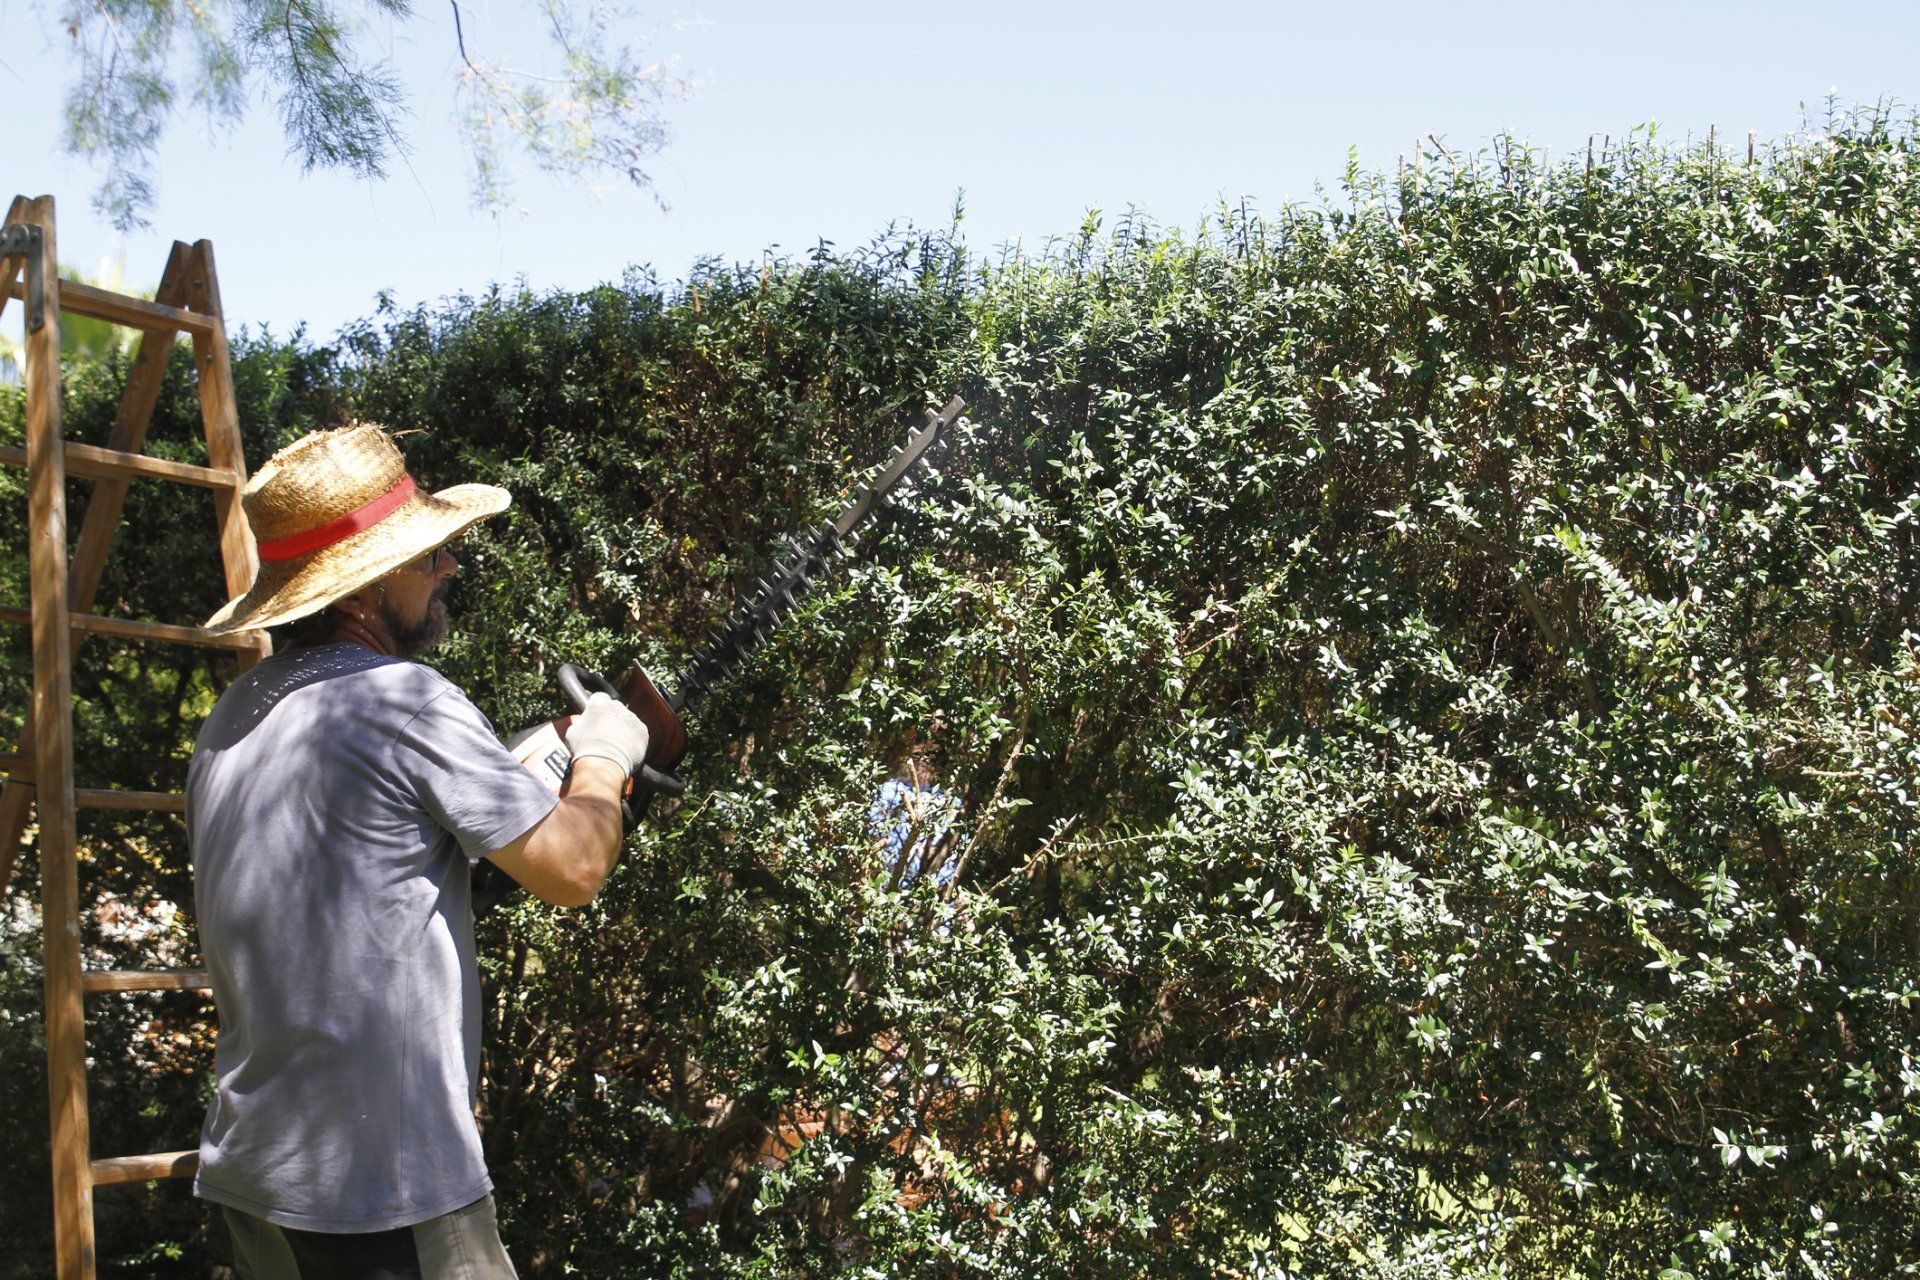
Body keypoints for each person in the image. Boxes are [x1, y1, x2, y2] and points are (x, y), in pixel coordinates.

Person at [187, 424, 651, 1279]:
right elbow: (575, 869)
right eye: (425, 557)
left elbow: (368, 868)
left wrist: (519, 772)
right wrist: (604, 755)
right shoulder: (404, 699)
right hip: (377, 1194)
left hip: (255, 1174)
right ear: (362, 590)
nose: (448, 570)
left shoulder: (233, 715)